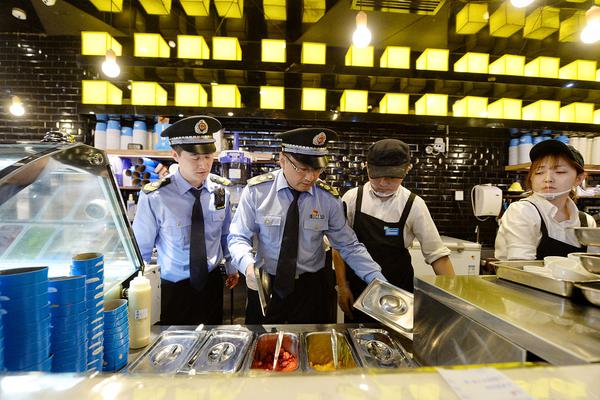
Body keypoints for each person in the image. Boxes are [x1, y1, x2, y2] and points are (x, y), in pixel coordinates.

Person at [228, 127, 386, 324]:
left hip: (310, 289)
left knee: (313, 349)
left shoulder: (328, 199)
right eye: (303, 168)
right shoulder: (257, 192)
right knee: (263, 347)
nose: (311, 177)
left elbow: (348, 245)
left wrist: (377, 279)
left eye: (317, 169)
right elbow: (237, 237)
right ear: (283, 160)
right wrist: (247, 266)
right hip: (266, 284)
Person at [133, 115, 238, 325]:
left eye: (208, 157)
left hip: (211, 286)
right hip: (173, 288)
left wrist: (233, 267)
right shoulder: (156, 196)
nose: (203, 165)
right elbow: (142, 250)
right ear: (175, 155)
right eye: (195, 158)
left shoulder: (220, 191)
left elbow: (226, 234)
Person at [335, 138, 455, 321]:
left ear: (407, 169)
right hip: (359, 288)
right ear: (366, 167)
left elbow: (437, 255)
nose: (383, 183)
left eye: (391, 177)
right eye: (376, 175)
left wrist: (454, 299)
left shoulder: (414, 205)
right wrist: (342, 287)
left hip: (398, 290)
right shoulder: (352, 199)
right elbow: (339, 247)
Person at [495, 139, 598, 260]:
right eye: (539, 172)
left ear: (579, 179)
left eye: (559, 171)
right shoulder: (522, 211)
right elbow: (520, 266)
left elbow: (592, 265)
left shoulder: (586, 221)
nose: (548, 179)